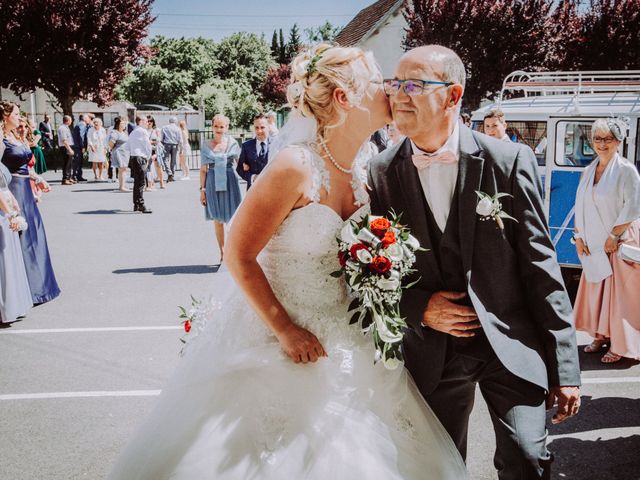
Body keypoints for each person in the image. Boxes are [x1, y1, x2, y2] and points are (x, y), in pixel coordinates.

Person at [108, 43, 467, 480]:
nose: (392, 90)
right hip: (282, 338)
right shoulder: (294, 166)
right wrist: (286, 330)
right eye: (381, 83)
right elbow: (238, 254)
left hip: (349, 340)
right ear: (343, 98)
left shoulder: (366, 167)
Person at [368, 45, 581, 479]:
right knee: (437, 467)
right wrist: (420, 308)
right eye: (394, 85)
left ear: (452, 95)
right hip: (433, 352)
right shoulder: (381, 172)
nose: (398, 96)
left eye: (413, 85)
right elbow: (375, 270)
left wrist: (566, 367)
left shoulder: (507, 161)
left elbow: (542, 267)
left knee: (527, 458)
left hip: (510, 342)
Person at [573, 118, 640, 364]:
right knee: (598, 293)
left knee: (619, 297)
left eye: (608, 139)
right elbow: (579, 205)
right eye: (598, 139)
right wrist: (577, 236)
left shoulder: (626, 170)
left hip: (619, 241)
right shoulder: (588, 170)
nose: (602, 144)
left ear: (618, 142)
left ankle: (621, 345)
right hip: (594, 242)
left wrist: (614, 236)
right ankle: (601, 335)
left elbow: (633, 207)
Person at [1, 101, 60, 305]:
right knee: (21, 238)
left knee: (34, 234)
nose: (19, 118)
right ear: (5, 116)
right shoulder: (1, 140)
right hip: (14, 189)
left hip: (26, 188)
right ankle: (28, 290)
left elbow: (26, 166)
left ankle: (41, 286)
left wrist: (38, 179)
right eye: (16, 114)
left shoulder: (14, 137)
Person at [0, 130, 33, 323]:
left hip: (7, 210)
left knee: (10, 260)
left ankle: (13, 306)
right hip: (3, 214)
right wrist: (11, 213)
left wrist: (14, 205)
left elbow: (4, 186)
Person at [199, 114, 241, 262]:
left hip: (230, 181)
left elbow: (241, 165)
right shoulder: (205, 145)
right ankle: (222, 252)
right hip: (212, 181)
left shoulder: (233, 144)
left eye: (221, 126)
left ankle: (232, 251)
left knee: (233, 219)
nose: (218, 129)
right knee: (217, 220)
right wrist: (202, 191)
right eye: (216, 126)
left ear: (227, 127)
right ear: (212, 127)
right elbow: (203, 170)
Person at [236, 113, 270, 189]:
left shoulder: (276, 145)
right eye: (256, 128)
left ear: (268, 127)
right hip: (253, 190)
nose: (259, 131)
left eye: (262, 127)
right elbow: (239, 169)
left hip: (272, 189)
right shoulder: (246, 146)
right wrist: (252, 177)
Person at [126, 116, 152, 214]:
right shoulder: (143, 131)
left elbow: (127, 146)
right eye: (146, 121)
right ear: (140, 121)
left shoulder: (133, 132)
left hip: (133, 157)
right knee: (141, 182)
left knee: (137, 182)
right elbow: (147, 145)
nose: (147, 123)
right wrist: (148, 157)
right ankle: (141, 204)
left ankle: (136, 204)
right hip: (140, 157)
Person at [108, 116, 130, 192]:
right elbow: (111, 143)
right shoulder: (115, 132)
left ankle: (122, 186)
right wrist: (114, 149)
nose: (124, 124)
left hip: (125, 153)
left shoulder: (124, 132)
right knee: (122, 170)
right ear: (118, 124)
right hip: (119, 153)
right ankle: (121, 187)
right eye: (122, 123)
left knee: (123, 170)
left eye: (125, 123)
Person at [161, 116, 181, 182]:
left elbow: (162, 138)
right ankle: (172, 175)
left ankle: (169, 173)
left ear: (169, 121)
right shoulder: (178, 129)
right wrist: (180, 147)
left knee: (165, 159)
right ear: (175, 121)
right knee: (173, 161)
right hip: (175, 145)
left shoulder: (164, 127)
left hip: (166, 144)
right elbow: (179, 139)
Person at [147, 116, 164, 190]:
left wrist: (151, 141)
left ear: (153, 122)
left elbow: (159, 139)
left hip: (155, 149)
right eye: (148, 121)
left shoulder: (156, 130)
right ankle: (150, 183)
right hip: (147, 149)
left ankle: (161, 182)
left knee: (158, 166)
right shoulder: (144, 130)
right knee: (149, 166)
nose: (149, 123)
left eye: (151, 121)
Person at [57, 115, 75, 185]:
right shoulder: (62, 128)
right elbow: (64, 140)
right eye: (71, 120)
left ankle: (69, 177)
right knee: (66, 164)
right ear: (67, 121)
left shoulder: (66, 127)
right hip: (65, 147)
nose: (71, 121)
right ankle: (65, 179)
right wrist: (69, 149)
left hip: (68, 146)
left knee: (69, 163)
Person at [72, 114, 90, 182]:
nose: (89, 119)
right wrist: (82, 146)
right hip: (78, 146)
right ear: (84, 118)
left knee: (78, 161)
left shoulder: (79, 124)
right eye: (88, 118)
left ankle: (78, 176)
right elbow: (81, 136)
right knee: (78, 161)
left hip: (77, 146)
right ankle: (76, 176)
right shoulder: (82, 124)